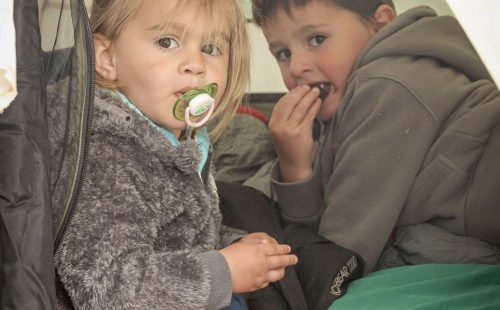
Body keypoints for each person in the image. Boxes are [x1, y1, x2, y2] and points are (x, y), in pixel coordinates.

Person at [53, 0, 299, 309]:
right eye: (167, 42)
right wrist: (224, 271)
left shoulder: (175, 137)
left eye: (211, 48)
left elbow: (177, 231)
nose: (196, 64)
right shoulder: (106, 155)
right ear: (107, 57)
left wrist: (231, 246)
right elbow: (109, 287)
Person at [251, 0, 500, 275]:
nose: (297, 66)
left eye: (316, 39)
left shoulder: (387, 84)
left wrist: (295, 170)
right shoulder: (350, 98)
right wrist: (294, 165)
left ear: (380, 24)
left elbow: (338, 258)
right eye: (283, 53)